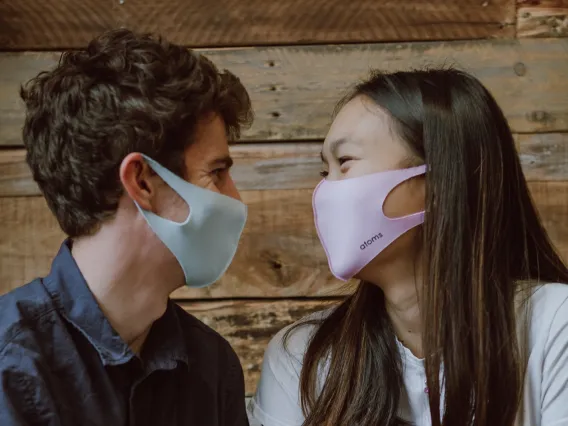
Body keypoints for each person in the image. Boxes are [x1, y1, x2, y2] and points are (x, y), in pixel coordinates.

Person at [248, 68, 568, 426]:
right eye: (326, 172)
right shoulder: (302, 357)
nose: (323, 193)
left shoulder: (555, 327)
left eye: (345, 163)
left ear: (438, 182)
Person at [0, 28, 253, 425]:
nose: (235, 200)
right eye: (217, 172)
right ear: (142, 181)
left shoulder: (212, 366)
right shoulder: (10, 367)